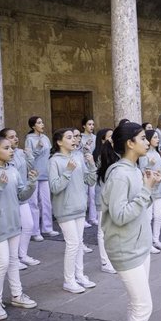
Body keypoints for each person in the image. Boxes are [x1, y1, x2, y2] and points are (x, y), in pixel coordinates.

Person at [98, 122, 161, 321]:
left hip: (138, 245)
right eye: (142, 138)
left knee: (136, 304)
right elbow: (119, 215)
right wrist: (146, 191)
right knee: (143, 306)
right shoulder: (119, 174)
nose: (147, 141)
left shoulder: (134, 169)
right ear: (129, 143)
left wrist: (147, 187)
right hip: (124, 248)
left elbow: (137, 209)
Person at [0, 136, 38, 321]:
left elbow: (21, 195)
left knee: (12, 260)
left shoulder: (12, 170)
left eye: (11, 148)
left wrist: (31, 183)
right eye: (6, 148)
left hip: (13, 222)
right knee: (2, 262)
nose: (11, 150)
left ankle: (17, 295)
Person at [48, 128, 97, 293]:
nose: (74, 140)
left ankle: (80, 275)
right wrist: (68, 170)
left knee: (79, 243)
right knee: (73, 244)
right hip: (65, 209)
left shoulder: (78, 157)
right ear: (59, 142)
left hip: (79, 207)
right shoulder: (54, 161)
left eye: (74, 137)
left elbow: (90, 181)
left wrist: (91, 165)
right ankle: (69, 281)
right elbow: (55, 187)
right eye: (69, 137)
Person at [0, 128, 39, 268]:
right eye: (11, 137)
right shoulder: (2, 157)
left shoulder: (20, 153)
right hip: (9, 198)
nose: (16, 139)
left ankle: (22, 254)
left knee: (28, 225)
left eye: (16, 136)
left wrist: (30, 156)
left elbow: (30, 167)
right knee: (12, 230)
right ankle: (12, 259)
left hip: (22, 195)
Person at [139, 129, 161, 253]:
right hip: (149, 189)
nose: (157, 139)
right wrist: (148, 163)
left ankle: (156, 239)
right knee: (148, 217)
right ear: (148, 140)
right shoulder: (145, 155)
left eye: (157, 137)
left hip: (159, 189)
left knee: (158, 216)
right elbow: (142, 170)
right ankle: (148, 243)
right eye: (155, 137)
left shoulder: (158, 154)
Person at [25, 116, 58, 240]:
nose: (42, 124)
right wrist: (38, 148)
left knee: (46, 202)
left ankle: (47, 228)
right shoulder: (29, 139)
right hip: (34, 172)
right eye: (39, 123)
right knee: (34, 203)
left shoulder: (45, 138)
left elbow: (49, 153)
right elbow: (29, 156)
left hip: (45, 173)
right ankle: (35, 231)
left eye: (42, 122)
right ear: (33, 126)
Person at [93, 128, 116, 274]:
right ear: (103, 139)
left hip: (112, 196)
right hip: (102, 196)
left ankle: (111, 258)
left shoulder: (113, 155)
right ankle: (104, 261)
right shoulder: (99, 155)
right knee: (102, 231)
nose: (113, 139)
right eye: (110, 137)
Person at [81, 117, 98, 226]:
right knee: (84, 194)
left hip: (92, 167)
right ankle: (82, 219)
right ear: (84, 126)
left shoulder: (95, 138)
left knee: (93, 194)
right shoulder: (80, 138)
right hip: (83, 168)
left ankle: (93, 217)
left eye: (92, 124)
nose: (91, 126)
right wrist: (85, 146)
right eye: (89, 124)